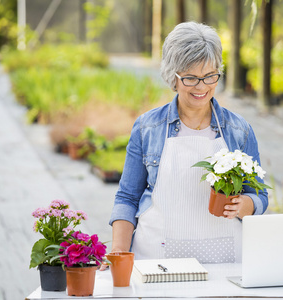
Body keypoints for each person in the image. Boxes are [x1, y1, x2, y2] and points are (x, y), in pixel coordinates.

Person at [107, 22, 268, 264]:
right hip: (156, 258)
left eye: (210, 76)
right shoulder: (147, 128)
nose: (202, 87)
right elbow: (127, 198)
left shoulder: (239, 130)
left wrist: (245, 204)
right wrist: (119, 254)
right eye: (191, 78)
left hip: (224, 261)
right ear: (173, 76)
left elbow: (260, 196)